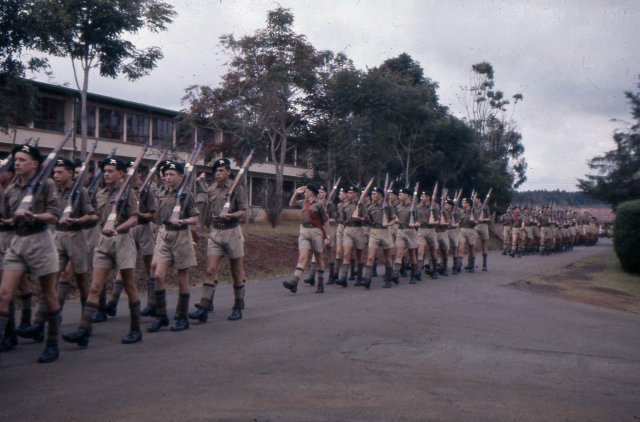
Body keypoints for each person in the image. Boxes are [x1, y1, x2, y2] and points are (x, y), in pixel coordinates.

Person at [62, 157, 141, 347]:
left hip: (122, 240)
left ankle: (135, 329)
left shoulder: (128, 193)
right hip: (103, 241)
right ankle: (83, 330)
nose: (106, 174)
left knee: (129, 286)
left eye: (111, 171)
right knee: (96, 286)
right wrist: (78, 220)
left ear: (121, 173)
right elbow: (96, 215)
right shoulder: (100, 193)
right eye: (105, 171)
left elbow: (134, 219)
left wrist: (118, 228)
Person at [0, 144, 61, 363]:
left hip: (40, 241)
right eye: (15, 159)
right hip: (17, 241)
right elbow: (8, 218)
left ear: (35, 164)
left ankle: (52, 344)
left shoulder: (46, 184)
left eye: (22, 159)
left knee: (49, 294)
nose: (17, 163)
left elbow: (55, 215)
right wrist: (9, 220)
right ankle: (6, 336)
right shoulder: (11, 188)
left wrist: (33, 215)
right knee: (4, 294)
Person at [189, 157, 247, 323]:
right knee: (210, 270)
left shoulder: (237, 188)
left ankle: (237, 305)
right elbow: (206, 208)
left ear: (228, 172)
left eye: (221, 170)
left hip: (232, 232)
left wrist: (231, 215)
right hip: (216, 232)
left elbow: (243, 211)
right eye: (216, 171)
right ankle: (204, 307)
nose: (218, 173)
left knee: (236, 271)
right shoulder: (212, 189)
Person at [147, 161, 199, 332]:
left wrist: (183, 220)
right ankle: (161, 315)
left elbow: (195, 219)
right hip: (164, 234)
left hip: (181, 236)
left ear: (180, 176)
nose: (167, 177)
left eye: (171, 174)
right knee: (158, 276)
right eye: (166, 174)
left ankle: (182, 316)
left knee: (181, 278)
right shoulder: (161, 192)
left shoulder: (186, 195)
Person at [283, 184, 330, 294]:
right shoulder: (304, 202)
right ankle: (294, 283)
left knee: (319, 258)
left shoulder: (319, 204)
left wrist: (327, 236)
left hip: (316, 232)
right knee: (302, 257)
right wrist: (295, 193)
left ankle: (320, 284)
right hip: (304, 231)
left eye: (306, 191)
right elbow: (291, 204)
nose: (304, 193)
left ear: (312, 192)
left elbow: (325, 221)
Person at [362, 186, 396, 288]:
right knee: (371, 257)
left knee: (388, 257)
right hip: (374, 231)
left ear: (380, 195)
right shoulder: (371, 207)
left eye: (374, 194)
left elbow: (394, 219)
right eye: (372, 194)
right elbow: (367, 219)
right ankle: (367, 279)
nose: (372, 196)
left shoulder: (388, 206)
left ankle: (389, 279)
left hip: (385, 231)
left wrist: (389, 224)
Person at [335, 186, 366, 287]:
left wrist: (359, 218)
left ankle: (359, 277)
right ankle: (343, 278)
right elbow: (342, 218)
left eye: (351, 192)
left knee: (359, 254)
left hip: (358, 230)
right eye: (348, 192)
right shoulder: (345, 205)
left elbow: (366, 218)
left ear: (356, 194)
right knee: (346, 254)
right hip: (347, 229)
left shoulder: (361, 205)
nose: (349, 194)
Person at [392, 188, 418, 284]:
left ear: (407, 195)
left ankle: (413, 275)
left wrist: (416, 223)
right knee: (398, 253)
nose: (399, 195)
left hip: (411, 231)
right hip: (400, 231)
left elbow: (418, 220)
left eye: (401, 194)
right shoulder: (398, 207)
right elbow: (396, 218)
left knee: (412, 254)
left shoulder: (414, 207)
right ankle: (395, 275)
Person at [458, 198, 478, 272]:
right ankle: (459, 265)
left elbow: (477, 222)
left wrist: (474, 220)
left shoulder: (474, 211)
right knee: (461, 248)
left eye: (464, 202)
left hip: (471, 230)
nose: (463, 203)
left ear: (468, 203)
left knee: (472, 249)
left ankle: (471, 265)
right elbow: (458, 220)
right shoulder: (460, 211)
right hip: (462, 230)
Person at [473, 194, 491, 271]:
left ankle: (484, 265)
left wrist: (483, 220)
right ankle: (472, 264)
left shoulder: (485, 207)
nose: (474, 200)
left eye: (475, 198)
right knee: (473, 245)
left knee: (484, 246)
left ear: (479, 199)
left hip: (484, 226)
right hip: (476, 226)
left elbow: (489, 218)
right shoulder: (473, 207)